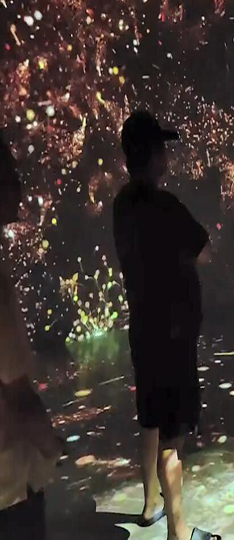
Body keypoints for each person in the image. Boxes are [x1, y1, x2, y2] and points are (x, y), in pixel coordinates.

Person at [113, 111, 219, 540]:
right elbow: (205, 251)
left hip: (144, 332)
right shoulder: (166, 206)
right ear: (154, 156)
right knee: (173, 438)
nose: (167, 156)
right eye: (162, 149)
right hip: (173, 337)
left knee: (151, 418)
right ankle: (179, 531)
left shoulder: (122, 205)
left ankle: (149, 505)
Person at [0, 133, 63, 537]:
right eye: (7, 173)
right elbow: (18, 397)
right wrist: (52, 447)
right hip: (9, 485)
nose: (18, 183)